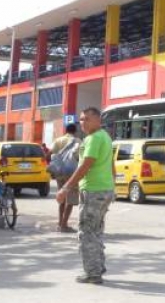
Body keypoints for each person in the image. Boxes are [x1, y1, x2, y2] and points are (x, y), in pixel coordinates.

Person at [56, 107, 115, 284]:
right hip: (104, 190)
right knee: (96, 231)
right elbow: (111, 163)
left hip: (93, 191)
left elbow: (85, 165)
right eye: (81, 119)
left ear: (98, 120)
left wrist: (66, 188)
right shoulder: (104, 136)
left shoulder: (94, 138)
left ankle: (93, 273)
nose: (83, 122)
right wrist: (114, 186)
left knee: (87, 232)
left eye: (87, 119)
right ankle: (98, 266)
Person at [50, 123, 82, 232]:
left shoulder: (58, 140)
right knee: (71, 198)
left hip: (59, 172)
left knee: (61, 197)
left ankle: (60, 223)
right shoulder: (78, 141)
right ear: (75, 131)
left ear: (66, 130)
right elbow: (80, 157)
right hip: (72, 172)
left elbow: (50, 153)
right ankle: (64, 225)